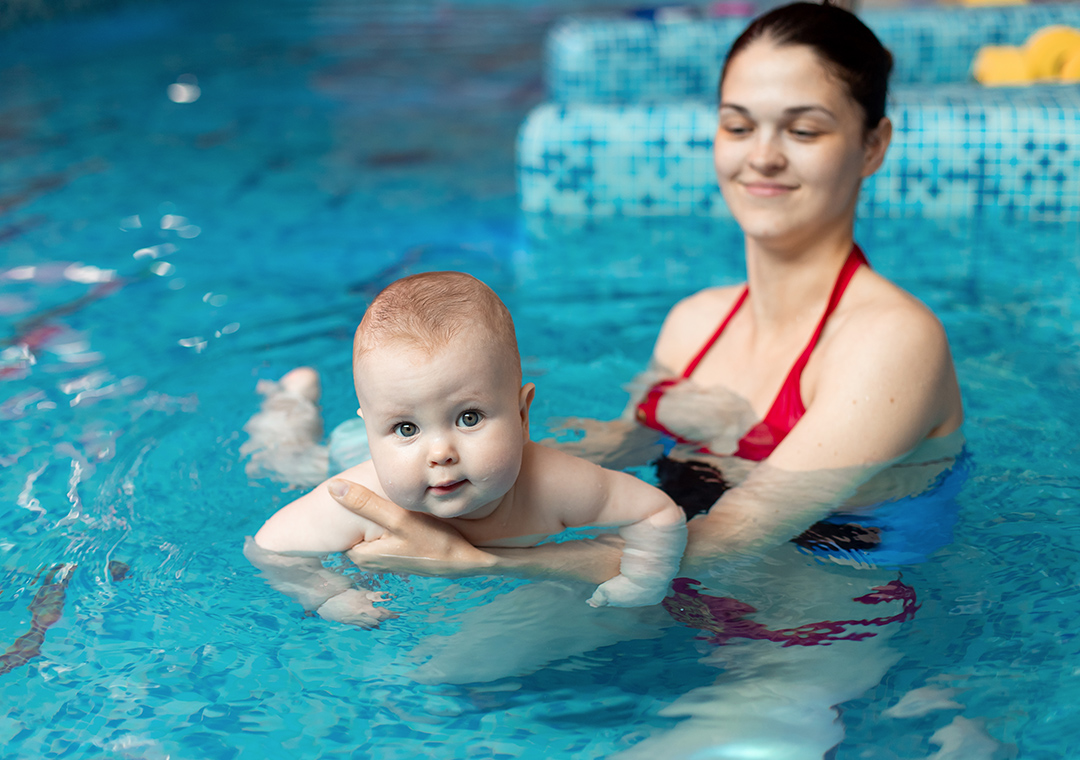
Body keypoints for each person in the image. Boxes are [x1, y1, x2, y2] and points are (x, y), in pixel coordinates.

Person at [315, 3, 969, 756]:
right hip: (658, 586)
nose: (761, 156)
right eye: (737, 124)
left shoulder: (894, 341)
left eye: (804, 129)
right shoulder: (693, 324)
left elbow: (729, 538)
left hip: (808, 630)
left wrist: (476, 562)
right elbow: (598, 454)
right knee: (427, 682)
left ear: (872, 145)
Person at [244, 271, 687, 625]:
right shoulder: (357, 500)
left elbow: (658, 514)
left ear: (522, 414)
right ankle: (289, 402)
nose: (440, 452)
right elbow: (267, 548)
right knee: (294, 462)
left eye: (468, 418)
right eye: (404, 427)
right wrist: (330, 595)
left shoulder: (553, 485)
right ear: (375, 432)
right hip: (348, 454)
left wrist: (644, 580)